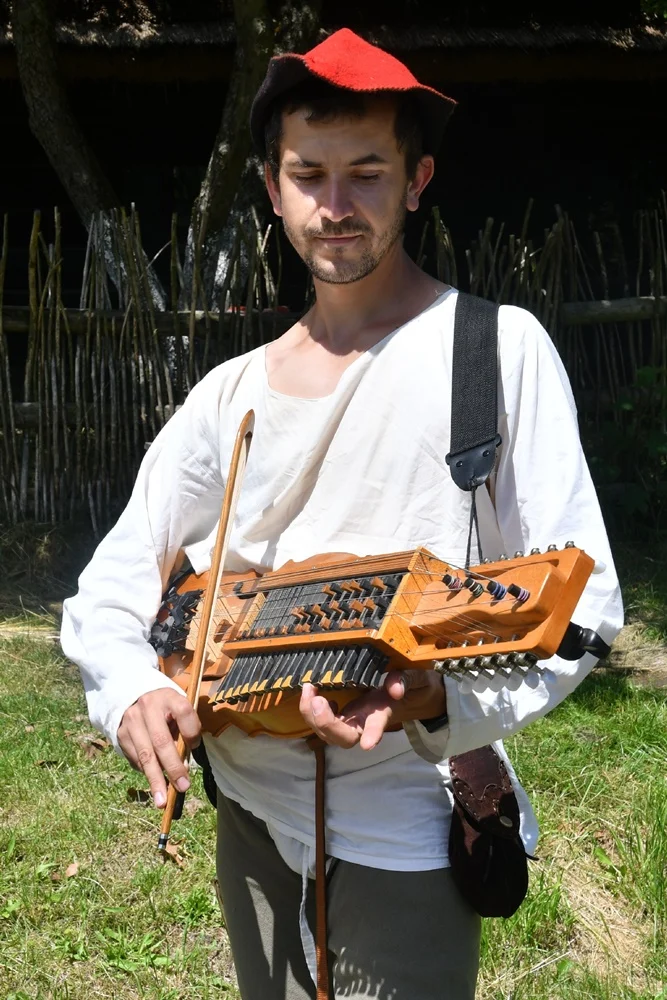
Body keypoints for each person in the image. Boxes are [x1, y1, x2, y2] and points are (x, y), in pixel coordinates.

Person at [61, 27, 623, 1000]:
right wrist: (130, 691)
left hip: (404, 816)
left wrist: (438, 700)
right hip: (245, 805)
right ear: (272, 190)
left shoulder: (493, 351)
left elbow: (585, 603)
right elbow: (113, 582)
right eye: (307, 175)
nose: (334, 205)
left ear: (417, 180)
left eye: (366, 172)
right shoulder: (230, 393)